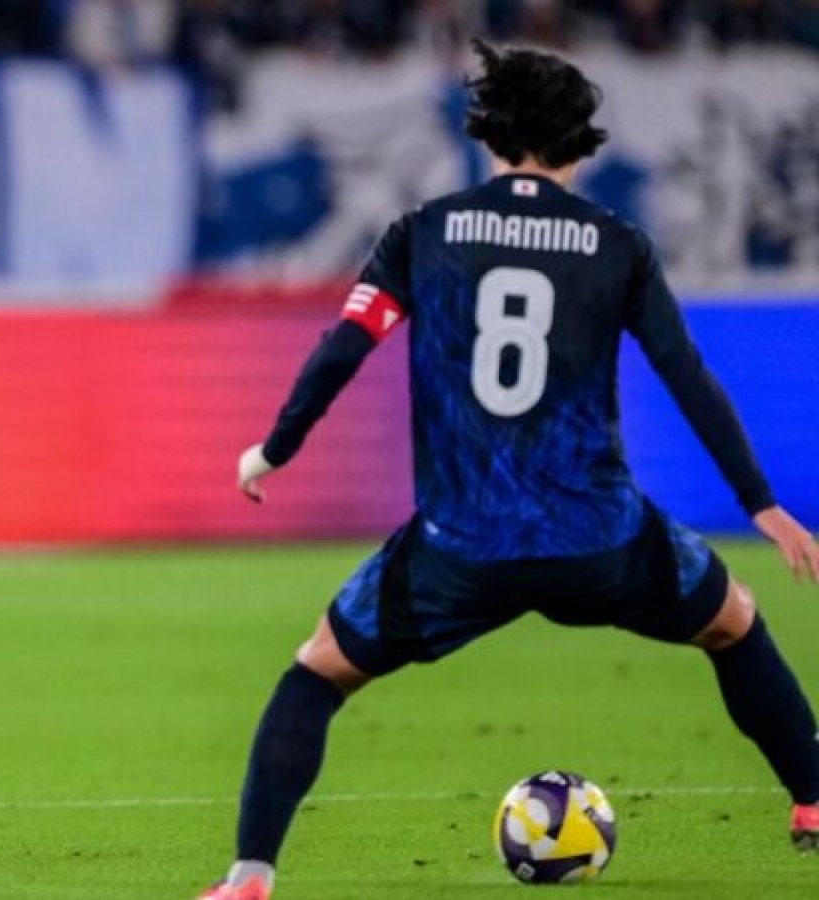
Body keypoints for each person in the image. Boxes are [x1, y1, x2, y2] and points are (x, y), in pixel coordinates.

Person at [200, 41, 819, 900]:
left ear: (488, 136)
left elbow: (343, 349)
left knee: (316, 672)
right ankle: (814, 802)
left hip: (460, 547)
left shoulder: (424, 234)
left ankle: (249, 878)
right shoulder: (617, 245)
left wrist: (275, 448)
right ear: (580, 144)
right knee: (734, 623)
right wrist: (761, 503)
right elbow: (686, 374)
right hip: (601, 540)